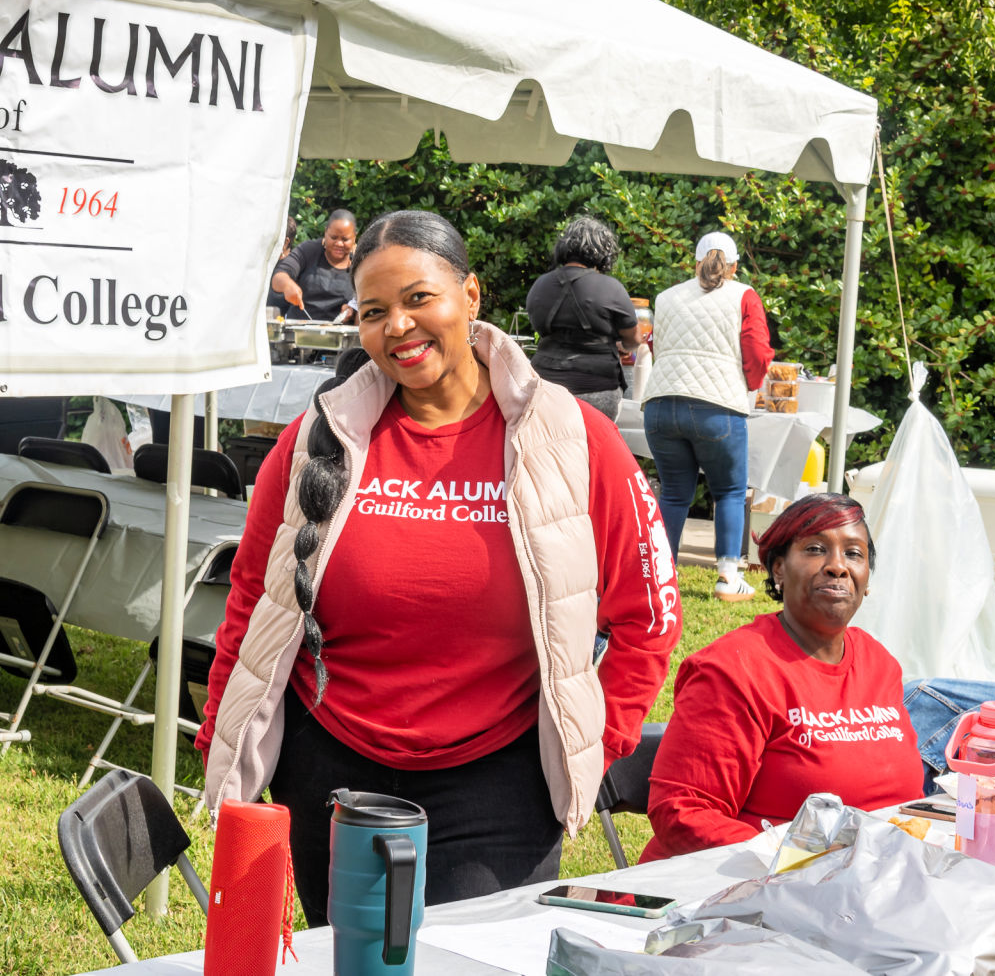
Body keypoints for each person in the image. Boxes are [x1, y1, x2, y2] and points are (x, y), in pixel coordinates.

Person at [200, 209, 682, 925]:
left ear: (472, 296)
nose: (397, 326)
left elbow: (648, 618)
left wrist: (596, 738)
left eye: (419, 298)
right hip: (330, 770)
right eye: (373, 311)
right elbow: (253, 599)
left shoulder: (573, 438)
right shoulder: (316, 442)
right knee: (355, 964)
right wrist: (222, 733)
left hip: (501, 782)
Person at [641, 493, 923, 863]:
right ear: (778, 569)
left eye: (854, 554)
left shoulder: (879, 662)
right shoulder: (733, 670)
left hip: (877, 882)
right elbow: (682, 813)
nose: (837, 566)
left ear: (867, 578)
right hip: (751, 893)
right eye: (816, 549)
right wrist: (802, 858)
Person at [640, 231, 773, 601]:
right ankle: (728, 578)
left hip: (661, 404)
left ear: (695, 262)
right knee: (729, 491)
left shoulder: (666, 298)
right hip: (718, 407)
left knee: (675, 493)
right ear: (733, 266)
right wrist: (749, 383)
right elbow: (757, 350)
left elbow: (655, 345)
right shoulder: (744, 295)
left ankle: (659, 576)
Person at [525, 216, 640, 419]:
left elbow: (539, 327)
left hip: (546, 388)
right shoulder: (610, 287)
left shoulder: (539, 286)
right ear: (603, 251)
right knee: (594, 448)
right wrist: (623, 346)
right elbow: (634, 339)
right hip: (598, 389)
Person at [269, 209, 360, 322]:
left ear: (354, 237)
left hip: (338, 336)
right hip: (298, 332)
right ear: (325, 232)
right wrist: (288, 285)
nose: (339, 244)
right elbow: (279, 276)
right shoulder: (309, 251)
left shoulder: (360, 265)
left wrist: (352, 309)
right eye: (333, 237)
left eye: (345, 239)